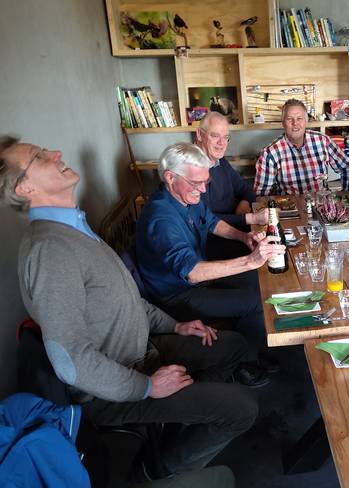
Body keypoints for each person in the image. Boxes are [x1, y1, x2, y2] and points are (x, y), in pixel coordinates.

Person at [1, 135, 258, 477]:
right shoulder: (50, 251)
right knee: (243, 408)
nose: (56, 152)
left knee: (233, 346)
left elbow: (126, 298)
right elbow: (71, 360)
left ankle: (185, 415)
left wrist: (175, 325)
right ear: (24, 189)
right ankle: (161, 468)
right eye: (38, 156)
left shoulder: (72, 228)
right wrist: (148, 387)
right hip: (115, 392)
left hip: (144, 350)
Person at [135, 142, 284, 379]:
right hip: (177, 296)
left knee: (259, 280)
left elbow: (212, 221)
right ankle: (244, 364)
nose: (203, 190)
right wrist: (249, 260)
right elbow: (192, 272)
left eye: (206, 182)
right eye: (196, 183)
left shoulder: (186, 197)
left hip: (196, 281)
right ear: (170, 177)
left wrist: (243, 236)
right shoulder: (160, 219)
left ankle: (250, 340)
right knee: (258, 300)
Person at [196, 112, 267, 259]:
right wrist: (249, 218)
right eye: (215, 136)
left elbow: (246, 190)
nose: (222, 143)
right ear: (199, 134)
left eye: (225, 137)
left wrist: (243, 204)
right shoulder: (194, 170)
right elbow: (205, 220)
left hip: (236, 231)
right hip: (212, 243)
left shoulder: (219, 162)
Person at [254, 99, 349, 195]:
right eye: (289, 119)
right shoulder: (270, 153)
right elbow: (261, 194)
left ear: (306, 121)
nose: (295, 123)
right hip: (291, 208)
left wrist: (346, 194)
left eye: (299, 118)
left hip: (322, 204)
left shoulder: (322, 140)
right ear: (283, 123)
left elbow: (346, 166)